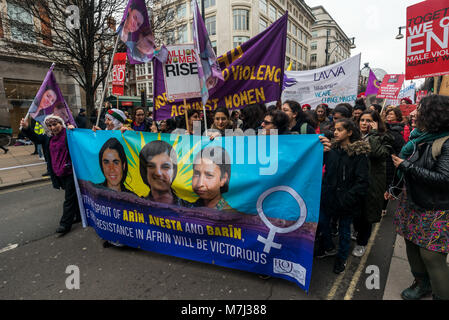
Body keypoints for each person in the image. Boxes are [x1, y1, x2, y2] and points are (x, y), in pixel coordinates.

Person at [385, 95, 449, 300]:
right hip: (412, 202)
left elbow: (444, 179)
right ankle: (422, 285)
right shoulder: (418, 137)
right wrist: (394, 188)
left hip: (437, 209)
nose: (413, 113)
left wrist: (406, 166)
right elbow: (406, 170)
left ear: (434, 115)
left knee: (431, 256)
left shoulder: (446, 142)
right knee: (411, 246)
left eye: (419, 109)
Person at [315, 118, 370, 274]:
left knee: (344, 231)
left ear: (350, 132)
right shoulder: (331, 150)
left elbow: (362, 181)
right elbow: (319, 166)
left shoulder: (359, 154)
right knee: (323, 223)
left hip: (346, 201)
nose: (335, 132)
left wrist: (347, 198)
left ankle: (341, 258)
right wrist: (321, 152)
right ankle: (328, 247)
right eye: (335, 129)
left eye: (340, 130)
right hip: (328, 197)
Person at [20, 115, 80, 234]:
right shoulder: (48, 138)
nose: (53, 128)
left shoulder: (69, 134)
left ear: (61, 123)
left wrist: (75, 131)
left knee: (69, 198)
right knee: (72, 197)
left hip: (70, 172)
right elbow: (36, 138)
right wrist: (26, 128)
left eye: (55, 124)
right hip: (58, 173)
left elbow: (82, 141)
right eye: (50, 126)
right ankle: (78, 215)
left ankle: (64, 224)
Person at [352, 110, 391, 257]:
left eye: (368, 121)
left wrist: (374, 134)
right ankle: (358, 230)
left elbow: (377, 153)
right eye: (362, 120)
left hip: (372, 182)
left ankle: (362, 243)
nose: (364, 123)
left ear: (375, 123)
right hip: (355, 180)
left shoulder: (384, 137)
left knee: (366, 215)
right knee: (355, 212)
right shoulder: (354, 135)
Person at [139, 140, 189, 206]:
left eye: (165, 167)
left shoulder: (189, 208)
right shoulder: (135, 207)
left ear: (174, 170)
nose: (158, 173)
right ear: (145, 171)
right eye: (151, 166)